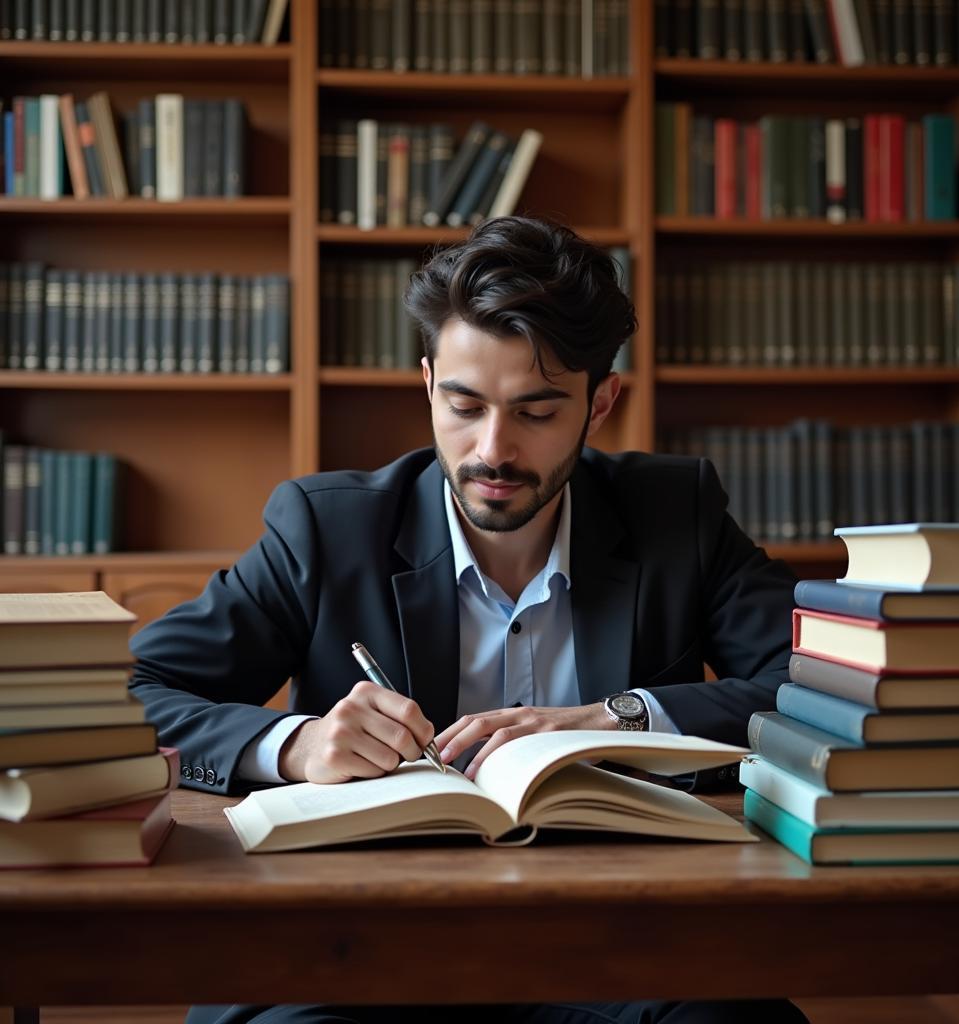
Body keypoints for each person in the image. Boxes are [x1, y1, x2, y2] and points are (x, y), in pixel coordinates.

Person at [130, 217, 807, 1024]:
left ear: (601, 404)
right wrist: (296, 743)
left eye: (537, 411)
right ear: (427, 386)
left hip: (624, 942)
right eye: (463, 404)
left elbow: (813, 687)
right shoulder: (325, 527)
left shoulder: (678, 512)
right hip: (361, 944)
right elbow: (132, 691)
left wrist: (621, 717)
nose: (493, 449)